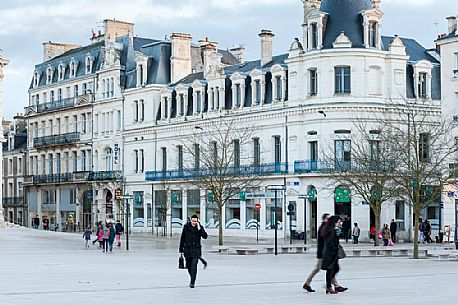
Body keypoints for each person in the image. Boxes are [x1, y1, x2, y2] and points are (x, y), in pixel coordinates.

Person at [303, 213, 346, 293]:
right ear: (324, 219)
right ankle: (309, 283)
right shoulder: (324, 228)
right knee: (321, 269)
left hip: (326, 252)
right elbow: (324, 242)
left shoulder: (328, 228)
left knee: (331, 268)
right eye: (328, 218)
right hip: (323, 253)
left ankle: (334, 286)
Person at [179, 215, 208, 288]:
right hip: (187, 249)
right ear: (190, 221)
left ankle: (192, 282)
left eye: (195, 221)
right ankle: (192, 277)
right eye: (193, 221)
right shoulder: (186, 227)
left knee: (194, 266)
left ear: (197, 221)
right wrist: (181, 249)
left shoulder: (199, 228)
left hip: (196, 250)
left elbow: (205, 236)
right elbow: (182, 238)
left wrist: (199, 229)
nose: (194, 222)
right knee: (188, 266)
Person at [321, 216, 344, 294]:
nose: (339, 223)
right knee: (330, 270)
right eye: (338, 222)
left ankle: (331, 285)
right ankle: (329, 287)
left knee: (335, 269)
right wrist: (334, 251)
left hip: (332, 253)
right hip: (330, 253)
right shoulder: (331, 231)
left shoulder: (334, 230)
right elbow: (330, 242)